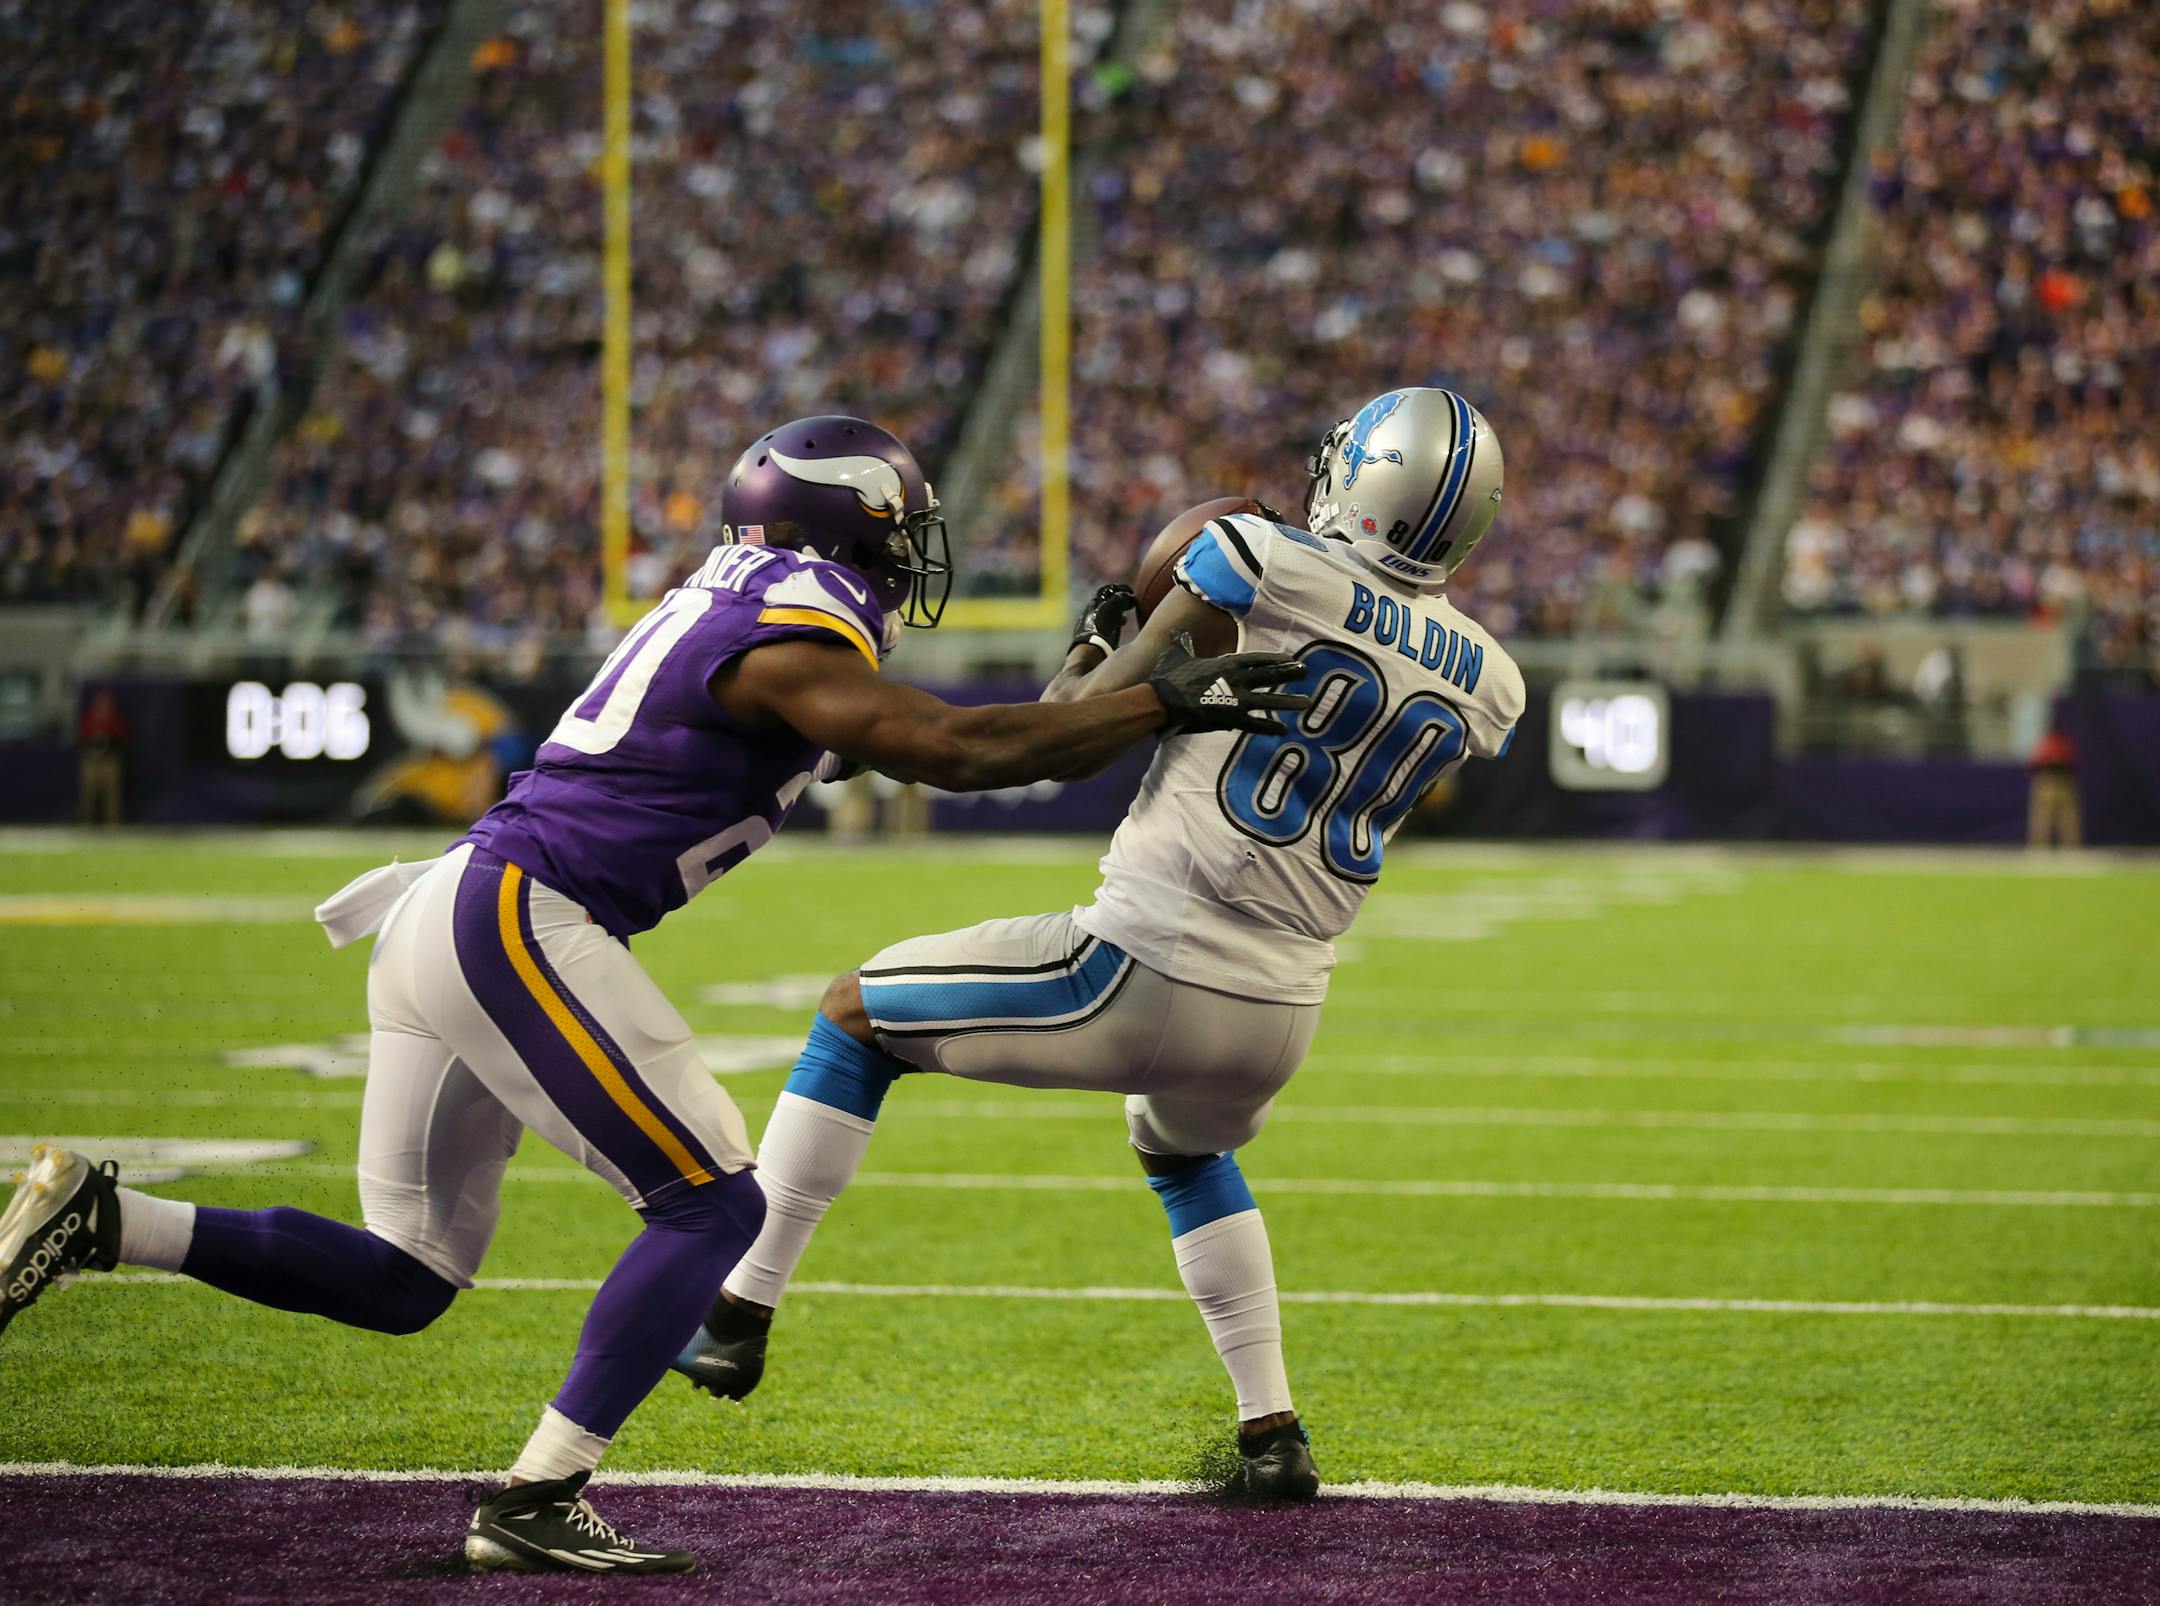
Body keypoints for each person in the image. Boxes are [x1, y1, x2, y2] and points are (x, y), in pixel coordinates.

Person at [0, 416, 1306, 1572]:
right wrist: (1156, 701)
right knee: (714, 1200)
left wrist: (1075, 696)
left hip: (455, 911)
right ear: (848, 523)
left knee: (408, 1275)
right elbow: (949, 749)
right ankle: (542, 1490)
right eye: (903, 528)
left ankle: (106, 1219)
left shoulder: (746, 596)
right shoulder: (795, 618)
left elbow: (886, 739)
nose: (916, 555)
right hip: (518, 913)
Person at [673, 388, 1526, 1499]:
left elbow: (1070, 737)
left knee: (853, 1016)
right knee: (1184, 1152)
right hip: (1283, 1013)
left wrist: (1107, 641)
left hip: (1139, 959)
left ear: (1361, 478)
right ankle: (1271, 1431)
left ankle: (737, 1311)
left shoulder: (1254, 558)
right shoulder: (1489, 675)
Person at [76, 688, 129, 826]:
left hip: (110, 761)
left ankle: (113, 825)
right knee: (88, 794)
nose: (103, 705)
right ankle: (85, 824)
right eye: (101, 702)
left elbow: (123, 738)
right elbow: (81, 736)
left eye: (106, 702)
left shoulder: (116, 719)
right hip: (92, 761)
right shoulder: (90, 718)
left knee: (112, 796)